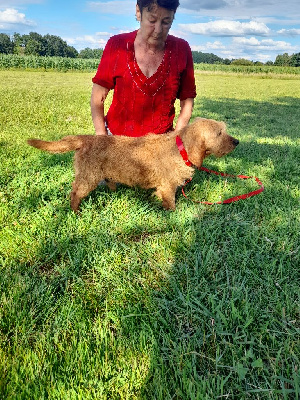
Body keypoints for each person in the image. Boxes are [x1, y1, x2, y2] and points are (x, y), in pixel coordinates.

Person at [90, 0, 196, 137]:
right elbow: (98, 97)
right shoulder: (116, 45)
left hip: (161, 143)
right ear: (138, 12)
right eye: (152, 20)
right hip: (117, 140)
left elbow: (187, 99)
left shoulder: (181, 49)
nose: (158, 30)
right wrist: (101, 135)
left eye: (166, 22)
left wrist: (177, 135)